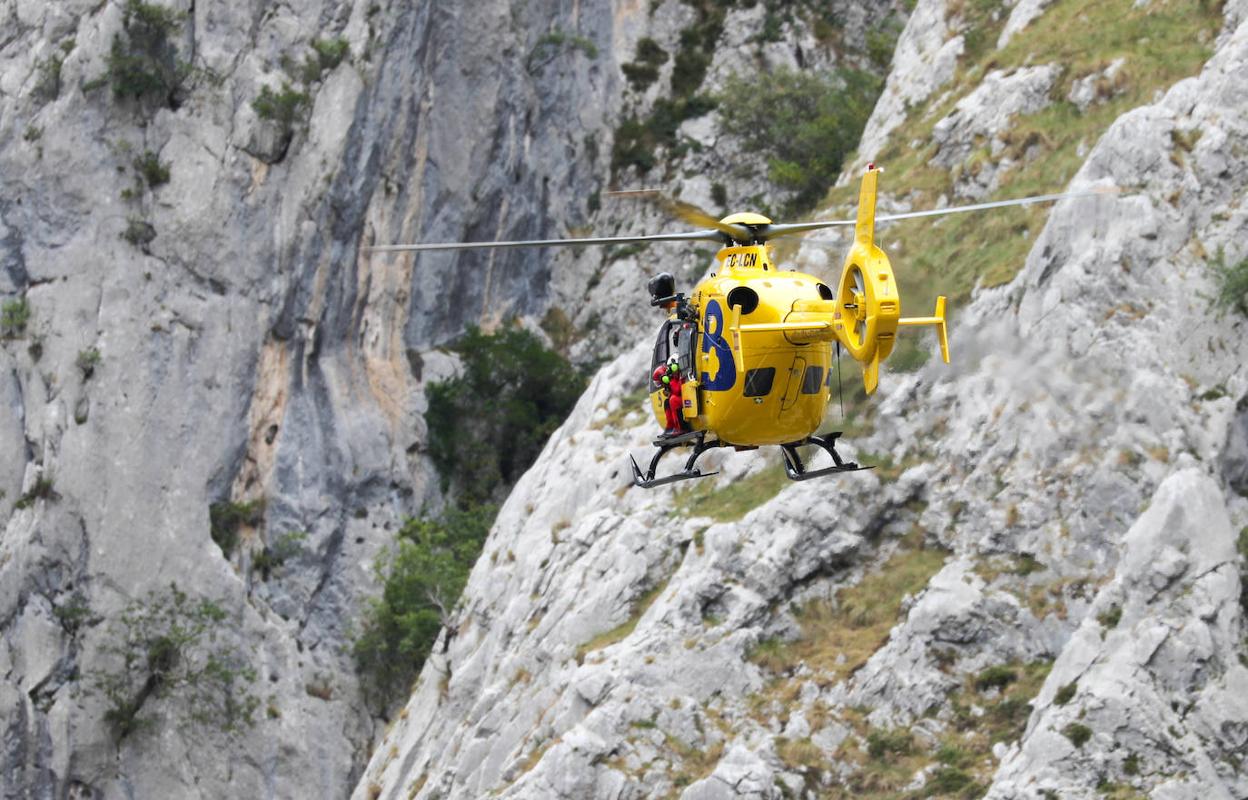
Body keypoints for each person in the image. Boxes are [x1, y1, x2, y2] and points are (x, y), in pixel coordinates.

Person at [652, 359, 688, 437]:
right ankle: (670, 427)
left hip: (688, 398)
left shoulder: (680, 376)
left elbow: (678, 390)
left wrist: (670, 385)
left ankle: (680, 428)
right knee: (667, 402)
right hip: (683, 398)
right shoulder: (673, 379)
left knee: (673, 400)